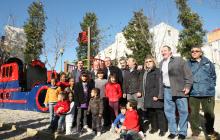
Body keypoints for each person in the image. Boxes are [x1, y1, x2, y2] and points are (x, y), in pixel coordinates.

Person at [159, 46, 193, 139]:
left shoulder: (179, 60)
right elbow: (160, 79)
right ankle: (173, 131)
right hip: (167, 90)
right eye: (161, 51)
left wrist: (188, 86)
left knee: (183, 111)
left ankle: (182, 132)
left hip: (179, 89)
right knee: (169, 111)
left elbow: (188, 74)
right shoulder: (161, 63)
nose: (163, 52)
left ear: (170, 51)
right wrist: (160, 93)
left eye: (165, 50)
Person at [187, 46, 219, 139]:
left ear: (201, 53)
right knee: (194, 113)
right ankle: (196, 131)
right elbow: (186, 76)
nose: (194, 52)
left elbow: (213, 75)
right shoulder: (188, 63)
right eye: (192, 51)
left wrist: (211, 86)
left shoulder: (208, 63)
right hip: (193, 93)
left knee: (209, 113)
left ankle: (209, 130)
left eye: (196, 51)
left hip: (208, 92)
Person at [142, 56, 167, 137]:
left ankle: (162, 129)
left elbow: (159, 84)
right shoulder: (146, 72)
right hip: (148, 96)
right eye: (146, 62)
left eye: (150, 61)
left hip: (155, 96)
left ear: (153, 62)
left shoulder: (157, 71)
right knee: (151, 113)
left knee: (160, 113)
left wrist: (157, 95)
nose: (148, 63)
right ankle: (154, 128)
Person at [123, 57, 144, 130]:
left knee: (139, 110)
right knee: (131, 111)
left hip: (136, 93)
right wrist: (124, 91)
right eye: (127, 61)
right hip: (129, 94)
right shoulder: (126, 72)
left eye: (129, 61)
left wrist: (140, 91)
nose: (127, 62)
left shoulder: (139, 71)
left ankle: (141, 129)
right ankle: (132, 127)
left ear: (134, 62)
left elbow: (141, 82)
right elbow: (124, 82)